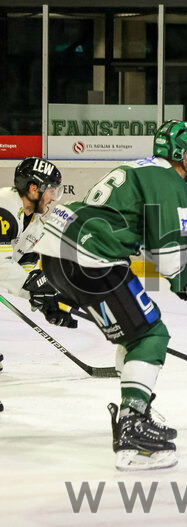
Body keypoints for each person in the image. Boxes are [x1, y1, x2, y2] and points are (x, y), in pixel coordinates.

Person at [28, 120, 187, 470]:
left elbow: (149, 236)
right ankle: (133, 424)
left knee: (133, 333)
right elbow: (169, 260)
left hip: (58, 256)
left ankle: (138, 406)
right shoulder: (170, 182)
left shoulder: (137, 168)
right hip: (94, 261)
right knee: (150, 334)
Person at [0, 157, 74, 413]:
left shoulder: (35, 222)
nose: (54, 197)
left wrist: (45, 302)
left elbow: (25, 268)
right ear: (34, 189)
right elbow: (0, 266)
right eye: (51, 190)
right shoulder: (4, 209)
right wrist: (35, 288)